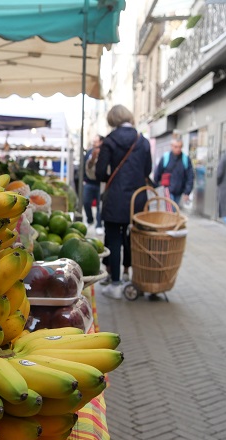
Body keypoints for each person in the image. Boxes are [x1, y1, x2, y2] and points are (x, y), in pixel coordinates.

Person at [95, 104, 152, 300]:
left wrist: (112, 177)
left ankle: (116, 284)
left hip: (115, 199)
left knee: (115, 239)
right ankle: (133, 278)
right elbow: (147, 170)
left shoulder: (110, 141)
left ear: (112, 120)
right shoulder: (142, 140)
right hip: (137, 200)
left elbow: (100, 172)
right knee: (133, 238)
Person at [153, 138, 194, 207]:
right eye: (176, 147)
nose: (178, 149)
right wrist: (156, 187)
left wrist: (187, 192)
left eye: (180, 147)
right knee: (171, 209)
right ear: (171, 146)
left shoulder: (185, 159)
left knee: (174, 210)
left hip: (179, 191)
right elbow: (158, 173)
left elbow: (190, 176)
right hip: (167, 190)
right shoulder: (166, 157)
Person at [83, 134, 105, 235]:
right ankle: (90, 219)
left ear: (101, 142)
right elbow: (85, 166)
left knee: (100, 205)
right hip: (89, 182)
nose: (94, 143)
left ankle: (99, 224)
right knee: (86, 202)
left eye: (96, 141)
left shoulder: (105, 153)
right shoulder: (89, 153)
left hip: (101, 183)